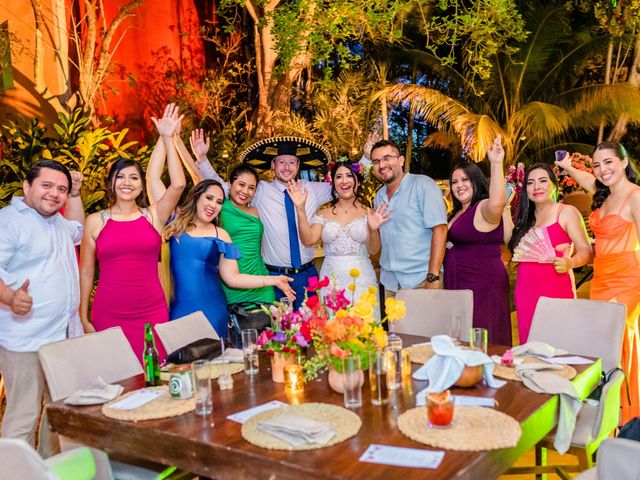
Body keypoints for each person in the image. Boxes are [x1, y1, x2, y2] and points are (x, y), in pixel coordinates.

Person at [80, 104, 187, 362]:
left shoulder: (154, 216)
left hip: (152, 309)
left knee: (154, 373)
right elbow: (85, 271)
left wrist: (167, 138)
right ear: (111, 184)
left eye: (134, 178)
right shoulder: (95, 221)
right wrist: (83, 315)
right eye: (120, 177)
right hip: (109, 311)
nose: (127, 182)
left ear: (141, 186)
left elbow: (179, 183)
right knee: (116, 376)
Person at [192, 134, 333, 309]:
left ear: (298, 165)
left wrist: (364, 159)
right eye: (281, 162)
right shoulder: (259, 190)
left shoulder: (313, 189)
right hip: (274, 276)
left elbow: (345, 184)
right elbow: (221, 186)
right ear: (273, 165)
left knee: (312, 330)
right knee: (279, 331)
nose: (286, 167)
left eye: (291, 162)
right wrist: (203, 158)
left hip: (307, 274)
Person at [0, 160, 84, 452]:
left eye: (61, 189)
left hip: (60, 337)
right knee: (23, 416)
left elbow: (78, 230)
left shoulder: (56, 221)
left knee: (57, 412)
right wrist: (10, 297)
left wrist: (75, 196)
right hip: (25, 340)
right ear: (27, 186)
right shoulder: (9, 220)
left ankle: (50, 469)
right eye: (47, 186)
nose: (54, 194)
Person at [556, 142, 640, 423]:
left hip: (627, 279)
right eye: (597, 164)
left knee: (615, 344)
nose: (603, 170)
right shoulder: (604, 194)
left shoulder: (635, 196)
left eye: (608, 162)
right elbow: (589, 180)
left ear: (624, 162)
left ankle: (626, 419)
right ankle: (606, 419)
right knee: (602, 346)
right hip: (601, 278)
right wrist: (568, 167)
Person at [162, 179, 294, 337]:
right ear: (197, 196)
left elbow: (233, 278)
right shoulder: (175, 224)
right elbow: (163, 181)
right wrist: (175, 151)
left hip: (212, 311)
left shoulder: (221, 235)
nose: (213, 205)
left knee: (216, 360)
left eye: (219, 202)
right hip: (179, 310)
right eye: (209, 198)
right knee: (180, 360)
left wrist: (274, 280)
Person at [287, 159, 391, 319]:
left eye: (349, 175)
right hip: (331, 281)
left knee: (365, 332)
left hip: (362, 280)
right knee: (332, 332)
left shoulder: (369, 212)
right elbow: (308, 240)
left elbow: (374, 251)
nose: (344, 181)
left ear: (357, 181)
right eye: (339, 176)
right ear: (333, 182)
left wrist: (372, 228)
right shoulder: (323, 213)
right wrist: (300, 208)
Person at [507, 163, 591, 344]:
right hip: (525, 293)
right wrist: (505, 208)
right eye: (530, 183)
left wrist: (571, 262)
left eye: (543, 181)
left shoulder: (566, 212)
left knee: (560, 350)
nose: (536, 187)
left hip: (556, 290)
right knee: (530, 351)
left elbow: (586, 250)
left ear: (554, 184)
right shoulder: (525, 221)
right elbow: (512, 245)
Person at [443, 136, 512, 346]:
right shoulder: (456, 212)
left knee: (482, 336)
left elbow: (497, 202)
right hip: (458, 282)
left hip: (482, 285)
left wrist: (496, 163)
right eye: (454, 182)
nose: (459, 185)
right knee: (461, 337)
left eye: (465, 179)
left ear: (476, 181)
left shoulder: (482, 207)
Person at [370, 140, 448, 296]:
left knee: (426, 322)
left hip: (420, 280)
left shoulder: (423, 185)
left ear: (401, 160)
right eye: (376, 161)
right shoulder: (379, 196)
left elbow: (440, 229)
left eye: (387, 158)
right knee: (393, 322)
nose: (382, 165)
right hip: (391, 283)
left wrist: (432, 276)